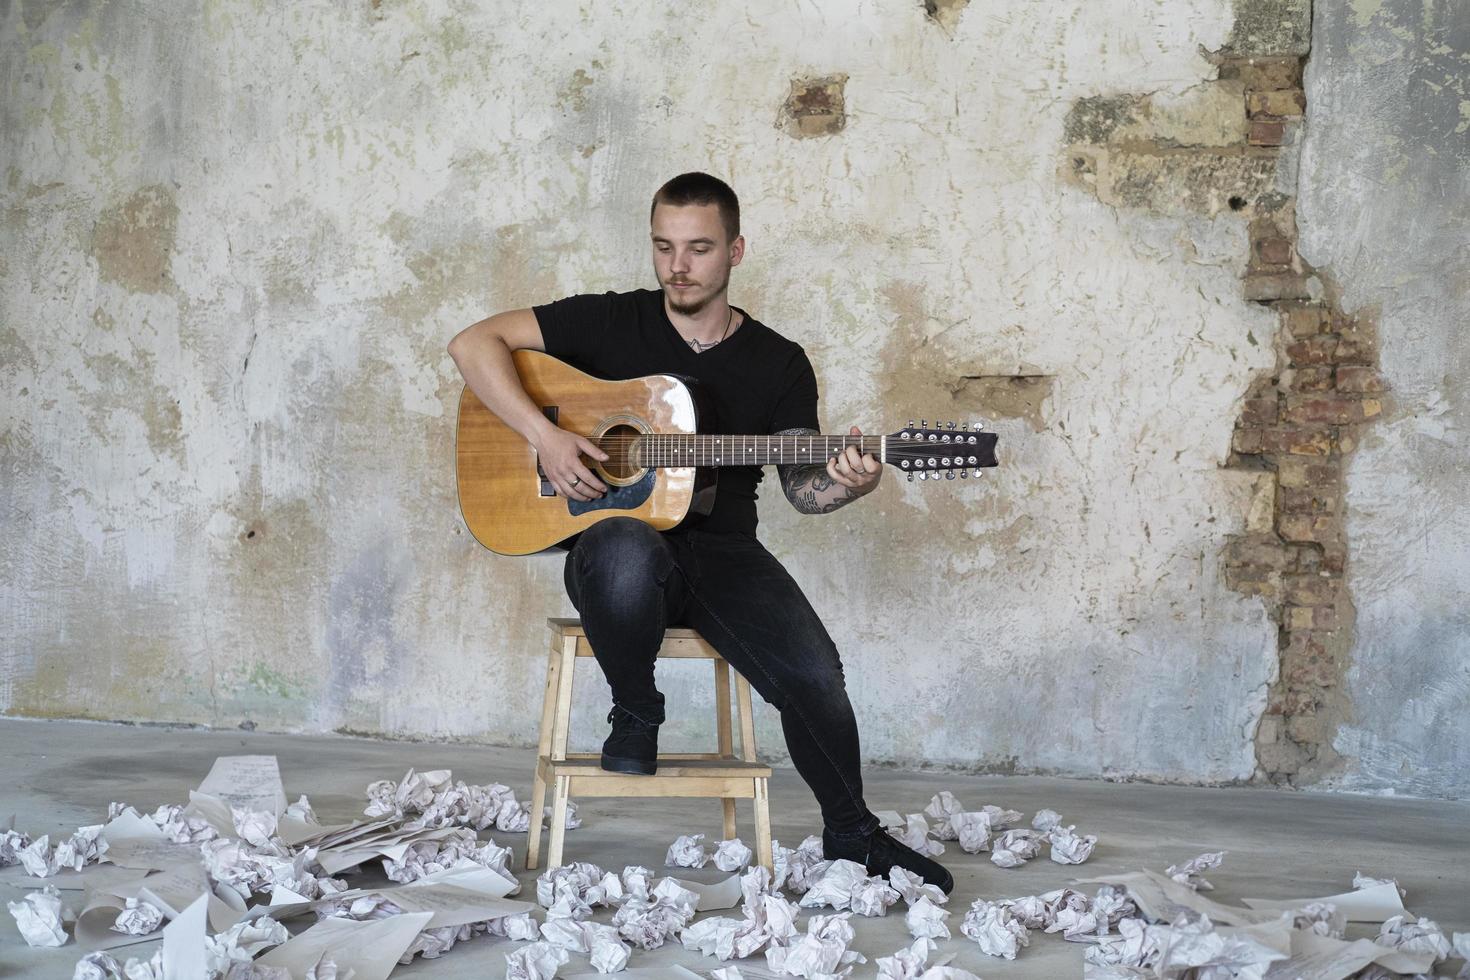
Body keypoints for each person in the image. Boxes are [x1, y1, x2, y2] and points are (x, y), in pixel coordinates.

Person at [447, 172, 952, 892]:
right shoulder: (608, 323)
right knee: (624, 547)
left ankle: (852, 834)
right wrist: (545, 437)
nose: (678, 267)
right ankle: (636, 709)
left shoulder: (777, 361)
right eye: (664, 247)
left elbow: (804, 492)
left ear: (736, 251)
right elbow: (472, 344)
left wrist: (847, 480)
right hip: (616, 554)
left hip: (725, 554)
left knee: (816, 677)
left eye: (699, 248)